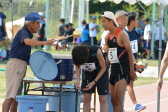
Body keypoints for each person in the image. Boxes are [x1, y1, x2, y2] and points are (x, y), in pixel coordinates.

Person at [2, 12, 54, 112]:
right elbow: (28, 42)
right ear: (31, 23)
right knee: (10, 97)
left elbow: (26, 56)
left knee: (15, 98)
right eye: (37, 23)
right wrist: (44, 42)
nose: (39, 26)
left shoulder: (27, 33)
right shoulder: (24, 32)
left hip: (19, 65)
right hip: (15, 65)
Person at [102, 11, 137, 112]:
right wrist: (105, 69)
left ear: (111, 21)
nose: (102, 24)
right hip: (113, 71)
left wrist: (131, 69)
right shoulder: (107, 37)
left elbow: (130, 52)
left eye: (104, 22)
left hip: (122, 71)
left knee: (118, 100)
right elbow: (109, 56)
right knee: (113, 100)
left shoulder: (122, 34)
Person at [72, 45, 109, 112]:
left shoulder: (96, 51)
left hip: (101, 73)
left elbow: (104, 68)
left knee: (102, 99)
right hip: (87, 73)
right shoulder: (76, 52)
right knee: (86, 98)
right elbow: (77, 66)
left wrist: (95, 81)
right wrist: (77, 80)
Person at [123, 12, 146, 111]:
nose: (137, 21)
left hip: (133, 63)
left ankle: (120, 106)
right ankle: (135, 105)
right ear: (132, 22)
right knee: (129, 84)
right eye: (136, 20)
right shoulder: (123, 33)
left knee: (126, 85)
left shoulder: (135, 33)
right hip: (125, 63)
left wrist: (136, 64)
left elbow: (134, 49)